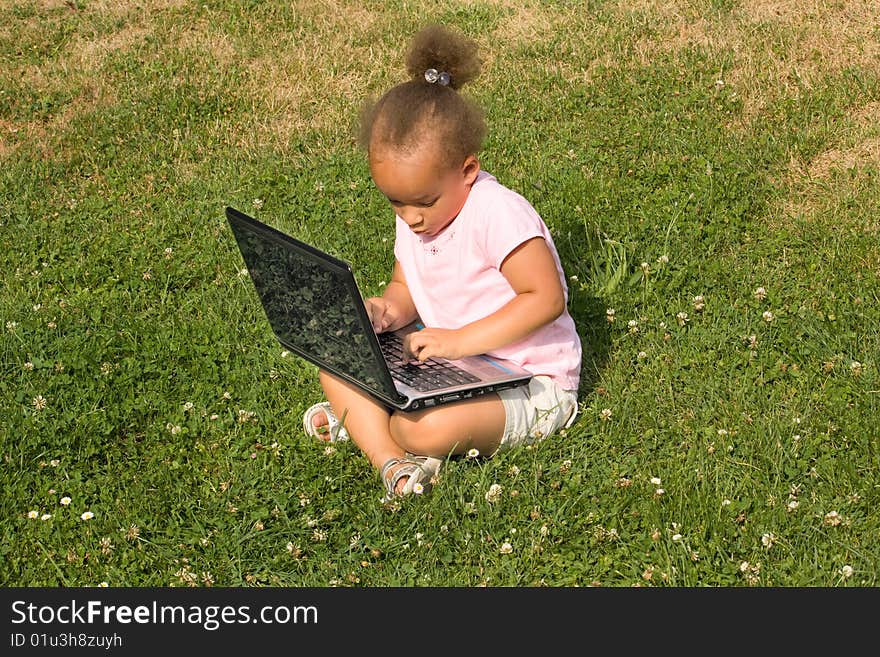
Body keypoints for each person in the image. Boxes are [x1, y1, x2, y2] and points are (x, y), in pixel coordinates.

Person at [302, 23, 582, 501]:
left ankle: (376, 427)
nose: (411, 218)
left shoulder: (498, 214)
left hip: (529, 381)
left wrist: (459, 341)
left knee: (423, 428)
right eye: (396, 203)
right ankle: (392, 464)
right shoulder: (420, 214)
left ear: (468, 170)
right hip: (451, 365)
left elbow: (546, 299)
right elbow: (406, 286)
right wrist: (387, 312)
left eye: (423, 202)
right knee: (335, 358)